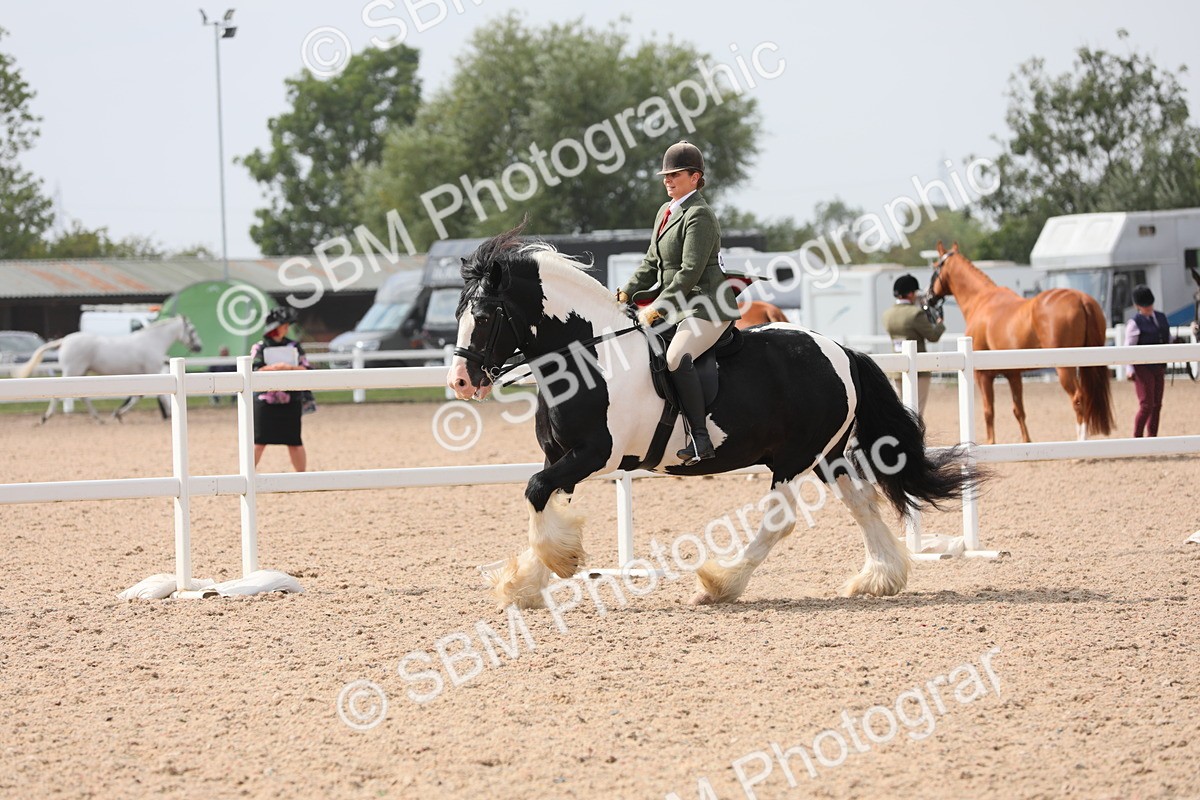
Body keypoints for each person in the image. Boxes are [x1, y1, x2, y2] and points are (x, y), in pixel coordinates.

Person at [617, 141, 741, 465]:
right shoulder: (665, 211)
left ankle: (700, 439)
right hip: (678, 305)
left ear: (695, 177)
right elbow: (650, 262)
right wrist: (625, 293)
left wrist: (658, 306)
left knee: (675, 358)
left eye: (675, 175)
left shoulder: (699, 215)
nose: (667, 180)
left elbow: (689, 272)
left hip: (707, 306)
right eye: (665, 175)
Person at [250, 307, 311, 471]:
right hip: (265, 401)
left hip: (291, 400)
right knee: (259, 442)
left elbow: (306, 369)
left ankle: (302, 477)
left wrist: (288, 367)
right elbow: (254, 370)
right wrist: (275, 368)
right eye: (284, 325)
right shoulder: (260, 347)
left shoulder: (294, 346)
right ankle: (248, 475)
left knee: (294, 441)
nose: (286, 328)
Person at [882, 273, 945, 415]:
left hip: (897, 369)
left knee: (899, 411)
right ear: (910, 294)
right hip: (919, 370)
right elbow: (933, 336)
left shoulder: (887, 315)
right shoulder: (915, 314)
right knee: (917, 411)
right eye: (915, 293)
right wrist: (940, 323)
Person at [1125, 284, 1170, 437]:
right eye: (1145, 305)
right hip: (1142, 368)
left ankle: (1152, 438)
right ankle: (1137, 439)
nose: (1149, 307)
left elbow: (1167, 337)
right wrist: (1129, 369)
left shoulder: (1161, 317)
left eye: (1150, 304)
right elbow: (1128, 347)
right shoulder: (1134, 323)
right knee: (1146, 405)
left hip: (1159, 366)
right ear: (1137, 306)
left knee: (1157, 405)